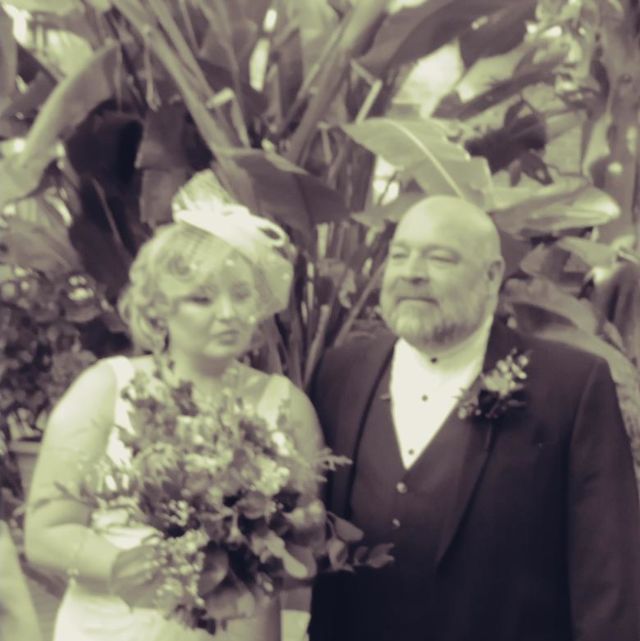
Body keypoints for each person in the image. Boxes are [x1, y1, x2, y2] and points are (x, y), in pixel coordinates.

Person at [308, 195, 640, 641]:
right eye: (400, 255)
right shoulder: (339, 372)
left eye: (440, 258)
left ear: (491, 276)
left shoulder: (571, 385)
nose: (412, 272)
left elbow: (608, 573)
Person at [24, 189, 322, 641]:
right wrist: (134, 569)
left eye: (242, 295)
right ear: (161, 307)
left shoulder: (288, 406)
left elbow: (305, 543)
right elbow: (46, 533)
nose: (229, 314)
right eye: (202, 298)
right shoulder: (105, 390)